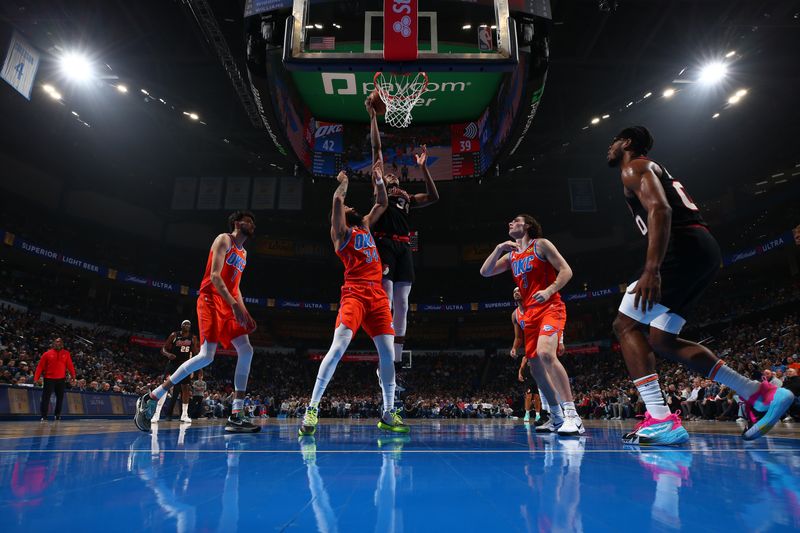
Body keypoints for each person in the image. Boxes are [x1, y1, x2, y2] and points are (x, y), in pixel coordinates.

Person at [606, 126, 792, 444]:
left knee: (625, 326)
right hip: (701, 249)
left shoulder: (633, 166)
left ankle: (661, 419)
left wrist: (652, 269)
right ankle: (759, 394)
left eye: (613, 142)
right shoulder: (645, 168)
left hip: (682, 247)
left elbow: (661, 210)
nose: (608, 149)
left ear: (627, 143)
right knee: (663, 340)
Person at [298, 160, 408, 437]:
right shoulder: (341, 234)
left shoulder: (366, 227)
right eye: (348, 209)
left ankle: (388, 411)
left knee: (387, 353)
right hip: (355, 293)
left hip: (378, 296)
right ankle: (312, 409)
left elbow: (382, 203)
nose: (350, 208)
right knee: (338, 347)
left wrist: (380, 180)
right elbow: (337, 201)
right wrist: (343, 184)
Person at [135, 211, 260, 433]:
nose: (250, 223)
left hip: (229, 302)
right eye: (246, 220)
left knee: (246, 349)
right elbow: (214, 276)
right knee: (206, 355)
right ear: (236, 223)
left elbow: (236, 286)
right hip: (211, 299)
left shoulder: (244, 253)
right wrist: (233, 305)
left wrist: (243, 311)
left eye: (252, 221)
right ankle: (154, 395)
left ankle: (236, 414)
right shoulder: (224, 239)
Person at [480, 214, 584, 436]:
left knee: (547, 354)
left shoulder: (541, 245)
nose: (509, 223)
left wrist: (549, 290)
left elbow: (566, 270)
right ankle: (555, 417)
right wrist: (499, 248)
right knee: (535, 368)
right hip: (530, 314)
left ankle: (572, 415)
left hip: (550, 306)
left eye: (515, 220)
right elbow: (485, 272)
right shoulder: (512, 256)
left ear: (527, 225)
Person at [369, 92, 440, 366]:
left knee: (403, 304)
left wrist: (424, 168)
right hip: (384, 244)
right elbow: (377, 150)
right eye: (388, 174)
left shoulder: (408, 198)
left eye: (395, 174)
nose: (392, 174)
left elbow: (434, 197)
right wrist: (373, 117)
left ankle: (395, 362)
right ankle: (384, 352)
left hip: (404, 246)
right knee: (385, 299)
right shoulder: (381, 191)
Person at [151, 320, 199, 423]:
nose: (186, 325)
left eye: (188, 324)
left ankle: (184, 415)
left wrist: (196, 368)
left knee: (185, 388)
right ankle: (156, 414)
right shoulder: (174, 335)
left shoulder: (193, 338)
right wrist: (168, 355)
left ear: (190, 327)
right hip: (173, 364)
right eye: (184, 324)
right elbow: (163, 349)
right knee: (165, 386)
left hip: (185, 365)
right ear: (181, 326)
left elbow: (196, 353)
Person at [33, 337, 75, 421]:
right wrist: (36, 378)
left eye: (59, 342)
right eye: (56, 342)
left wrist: (73, 376)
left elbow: (70, 365)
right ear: (53, 344)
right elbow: (40, 366)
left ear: (62, 344)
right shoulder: (47, 354)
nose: (58, 343)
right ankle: (44, 416)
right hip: (49, 379)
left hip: (61, 379)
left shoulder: (66, 353)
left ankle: (57, 414)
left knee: (60, 398)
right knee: (46, 398)